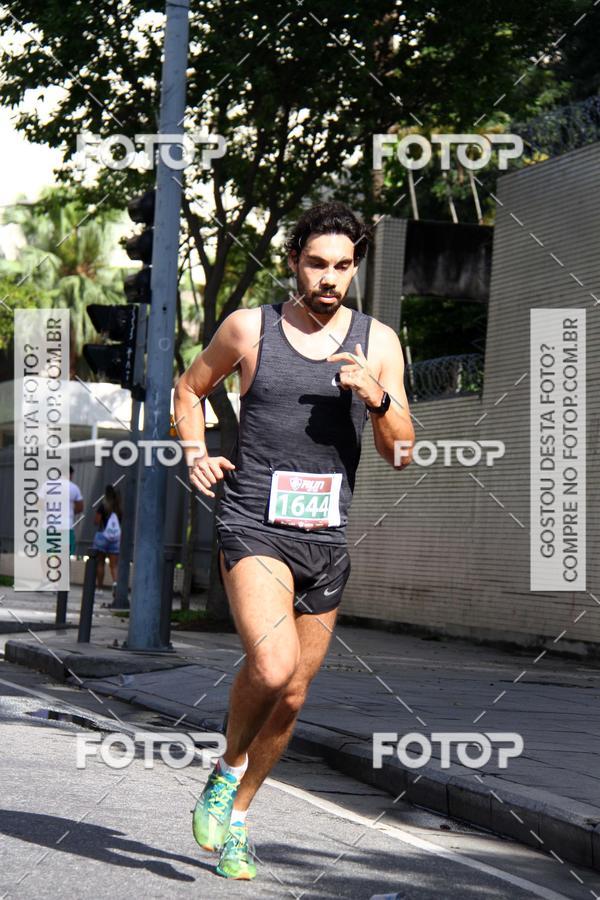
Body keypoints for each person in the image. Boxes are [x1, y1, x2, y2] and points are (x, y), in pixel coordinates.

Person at [173, 201, 415, 880]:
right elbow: (189, 390)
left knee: (294, 695)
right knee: (273, 665)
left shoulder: (379, 342)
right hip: (254, 524)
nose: (328, 278)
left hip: (326, 538)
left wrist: (377, 398)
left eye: (342, 265)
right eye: (316, 263)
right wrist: (195, 451)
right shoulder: (249, 328)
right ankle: (227, 768)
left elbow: (402, 452)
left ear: (356, 268)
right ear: (293, 262)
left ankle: (239, 816)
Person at [92, 484, 122, 595]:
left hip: (102, 536)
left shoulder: (103, 506)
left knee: (100, 563)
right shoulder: (118, 508)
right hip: (115, 538)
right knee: (114, 565)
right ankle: (116, 584)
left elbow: (97, 521)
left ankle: (99, 588)